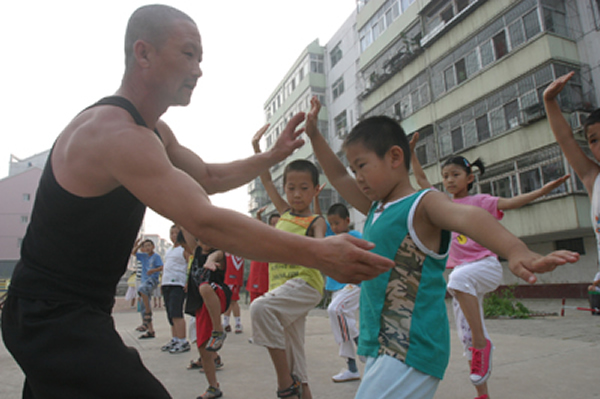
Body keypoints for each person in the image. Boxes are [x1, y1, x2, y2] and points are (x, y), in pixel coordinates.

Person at [0, 5, 394, 398]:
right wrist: (319, 252)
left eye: (200, 58)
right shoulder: (115, 134)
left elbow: (207, 177)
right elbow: (206, 221)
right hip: (51, 316)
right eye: (188, 53)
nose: (198, 69)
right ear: (144, 53)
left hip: (71, 313)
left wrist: (272, 156)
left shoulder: (153, 132)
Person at [304, 97, 579, 399]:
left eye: (362, 166)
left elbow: (469, 215)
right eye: (354, 169)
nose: (356, 176)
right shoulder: (376, 208)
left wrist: (515, 250)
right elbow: (338, 176)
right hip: (379, 343)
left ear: (395, 157)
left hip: (410, 345)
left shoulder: (422, 202)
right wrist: (314, 134)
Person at [410, 134, 570, 399]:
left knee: (457, 281)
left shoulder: (481, 202)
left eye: (455, 175)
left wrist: (543, 190)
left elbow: (514, 202)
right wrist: (412, 152)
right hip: (462, 280)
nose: (449, 180)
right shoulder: (444, 205)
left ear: (469, 178)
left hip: (484, 267)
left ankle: (483, 345)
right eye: (445, 176)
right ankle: (482, 391)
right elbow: (422, 180)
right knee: (466, 339)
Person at [249, 126, 327, 399]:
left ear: (316, 190)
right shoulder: (283, 213)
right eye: (291, 188)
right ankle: (297, 386)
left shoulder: (315, 221)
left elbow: (320, 246)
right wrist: (260, 151)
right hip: (283, 289)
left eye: (304, 188)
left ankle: (284, 383)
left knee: (259, 308)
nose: (296, 194)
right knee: (297, 359)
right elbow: (266, 180)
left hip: (305, 285)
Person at [543, 71, 600, 321]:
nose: (599, 145)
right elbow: (565, 139)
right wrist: (549, 102)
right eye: (594, 140)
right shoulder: (592, 177)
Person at [181, 227, 231, 399]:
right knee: (203, 348)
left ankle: (219, 331)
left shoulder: (219, 253)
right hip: (201, 305)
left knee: (204, 287)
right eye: (204, 239)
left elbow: (215, 256)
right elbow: (185, 228)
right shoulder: (195, 249)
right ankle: (213, 387)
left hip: (219, 295)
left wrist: (210, 260)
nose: (207, 243)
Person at [324, 203, 363, 383]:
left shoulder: (354, 236)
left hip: (353, 283)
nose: (334, 227)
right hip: (336, 287)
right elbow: (320, 222)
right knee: (342, 323)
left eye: (337, 223)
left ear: (347, 221)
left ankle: (361, 346)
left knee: (335, 310)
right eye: (331, 224)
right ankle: (352, 368)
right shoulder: (330, 238)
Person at [160, 225, 191, 354]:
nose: (173, 236)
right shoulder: (169, 250)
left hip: (177, 283)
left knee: (176, 312)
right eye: (171, 233)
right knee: (170, 314)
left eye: (176, 233)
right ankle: (175, 338)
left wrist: (188, 282)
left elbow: (190, 264)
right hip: (166, 283)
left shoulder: (184, 249)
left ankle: (183, 341)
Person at [132, 238, 164, 339]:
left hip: (152, 280)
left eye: (149, 246)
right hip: (144, 282)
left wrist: (153, 270)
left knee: (141, 289)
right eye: (145, 246)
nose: (147, 248)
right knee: (142, 305)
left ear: (153, 247)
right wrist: (138, 244)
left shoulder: (156, 256)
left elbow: (162, 267)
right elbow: (133, 253)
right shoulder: (143, 257)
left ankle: (148, 311)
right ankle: (150, 330)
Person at [246, 206, 279, 303]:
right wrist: (258, 216)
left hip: (270, 282)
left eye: (277, 224)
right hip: (255, 278)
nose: (274, 226)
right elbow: (259, 229)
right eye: (272, 224)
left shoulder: (281, 242)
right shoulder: (263, 238)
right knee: (254, 308)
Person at [222, 253, 245, 333]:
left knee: (233, 300)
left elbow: (238, 264)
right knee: (227, 300)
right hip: (226, 279)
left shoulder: (236, 251)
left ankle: (238, 323)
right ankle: (226, 322)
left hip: (234, 279)